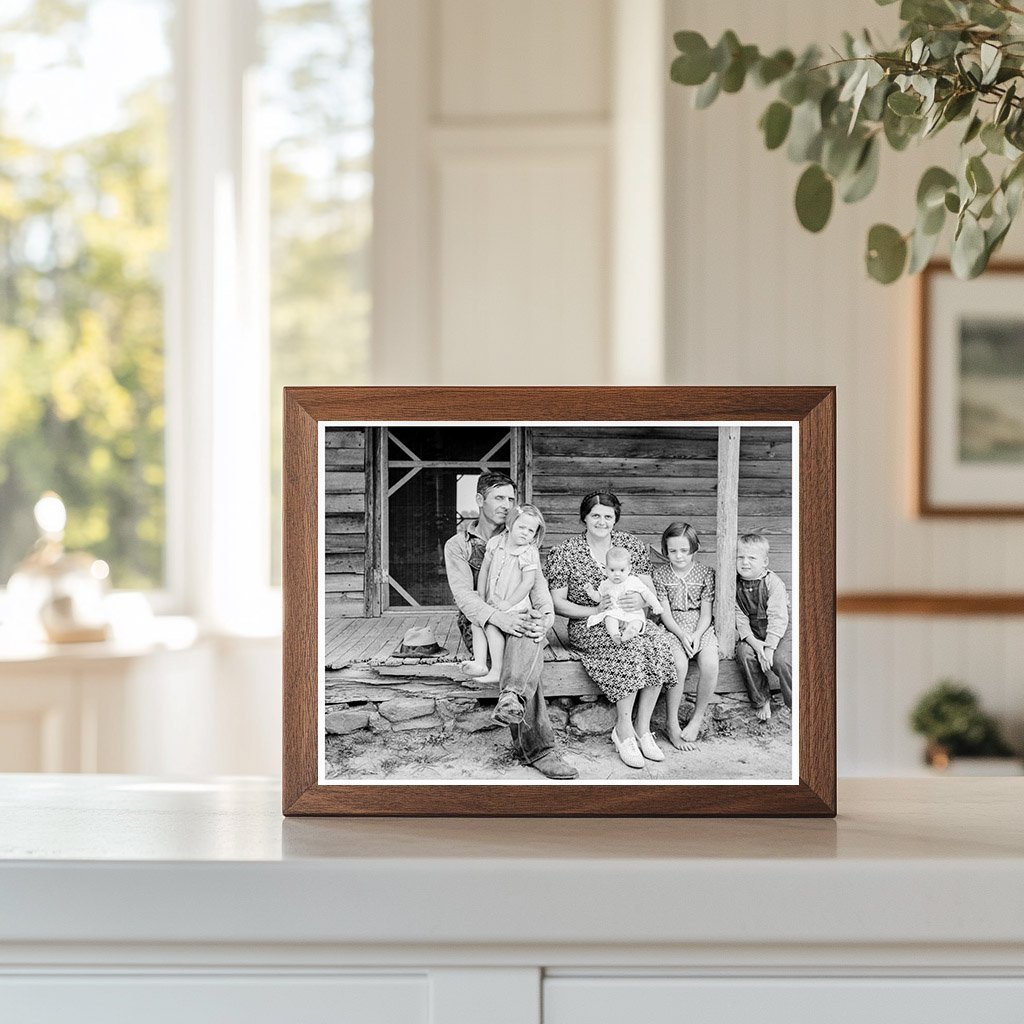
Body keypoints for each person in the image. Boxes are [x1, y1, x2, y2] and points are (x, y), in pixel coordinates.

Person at [444, 473, 577, 780]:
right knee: (525, 660)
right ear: (480, 501)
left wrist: (546, 617)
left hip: (519, 614)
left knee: (528, 630)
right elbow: (464, 597)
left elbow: (538, 587)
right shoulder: (459, 544)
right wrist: (499, 617)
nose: (506, 505)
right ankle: (540, 749)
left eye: (510, 499)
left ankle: (510, 699)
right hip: (481, 624)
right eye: (498, 498)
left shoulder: (524, 536)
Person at [545, 490, 676, 770]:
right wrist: (594, 610)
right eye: (595, 515)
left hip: (630, 617)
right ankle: (623, 730)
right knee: (627, 646)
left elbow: (647, 590)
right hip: (587, 623)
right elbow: (557, 602)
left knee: (657, 642)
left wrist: (639, 600)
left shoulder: (629, 545)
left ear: (615, 519)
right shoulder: (566, 551)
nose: (602, 521)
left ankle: (643, 728)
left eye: (608, 516)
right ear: (584, 517)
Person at [652, 522, 719, 750]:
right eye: (672, 551)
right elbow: (665, 613)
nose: (679, 556)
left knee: (710, 663)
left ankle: (697, 718)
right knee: (678, 664)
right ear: (665, 550)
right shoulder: (659, 575)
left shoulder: (706, 573)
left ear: (695, 549)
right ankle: (671, 724)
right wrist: (681, 635)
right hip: (673, 627)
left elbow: (707, 613)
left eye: (684, 550)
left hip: (700, 626)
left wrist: (698, 636)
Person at [462, 503, 545, 684]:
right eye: (521, 527)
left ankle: (497, 670)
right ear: (509, 525)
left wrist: (508, 603)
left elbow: (527, 583)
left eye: (530, 531)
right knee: (477, 623)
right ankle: (480, 662)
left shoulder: (528, 552)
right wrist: (481, 597)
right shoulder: (495, 543)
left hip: (514, 605)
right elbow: (484, 571)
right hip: (493, 601)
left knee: (492, 628)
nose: (525, 533)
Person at [734, 532, 792, 721]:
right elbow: (740, 619)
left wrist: (769, 647)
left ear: (764, 562)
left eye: (752, 558)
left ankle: (795, 703)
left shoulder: (773, 583)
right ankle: (761, 699)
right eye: (740, 557)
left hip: (778, 633)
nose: (745, 562)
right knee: (744, 653)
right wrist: (756, 645)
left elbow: (778, 617)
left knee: (782, 660)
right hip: (752, 634)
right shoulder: (733, 585)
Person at [585, 545, 663, 643]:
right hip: (615, 612)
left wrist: (656, 605)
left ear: (629, 569)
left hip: (632, 613)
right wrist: (591, 592)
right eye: (612, 570)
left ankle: (630, 632)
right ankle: (615, 634)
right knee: (609, 618)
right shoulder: (606, 584)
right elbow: (599, 597)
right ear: (606, 569)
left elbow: (647, 594)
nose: (617, 574)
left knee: (638, 621)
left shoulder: (634, 581)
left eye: (622, 570)